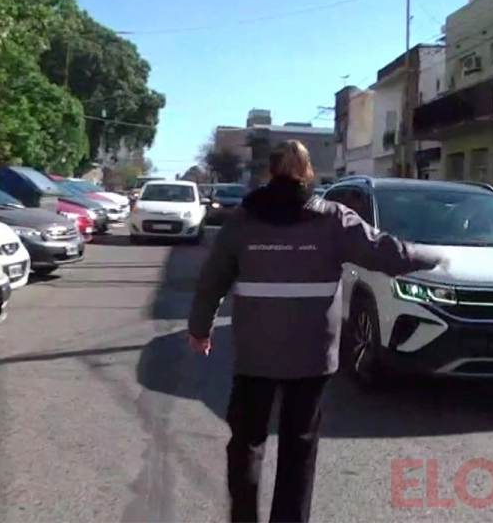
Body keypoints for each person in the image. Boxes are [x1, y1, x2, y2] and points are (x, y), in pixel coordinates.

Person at [187, 140, 445, 523]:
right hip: (311, 354)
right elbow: (386, 252)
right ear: (308, 173)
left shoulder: (243, 221)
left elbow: (212, 280)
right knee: (299, 446)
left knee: (246, 442)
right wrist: (434, 256)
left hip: (255, 352)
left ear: (270, 173)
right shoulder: (333, 219)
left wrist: (200, 329)